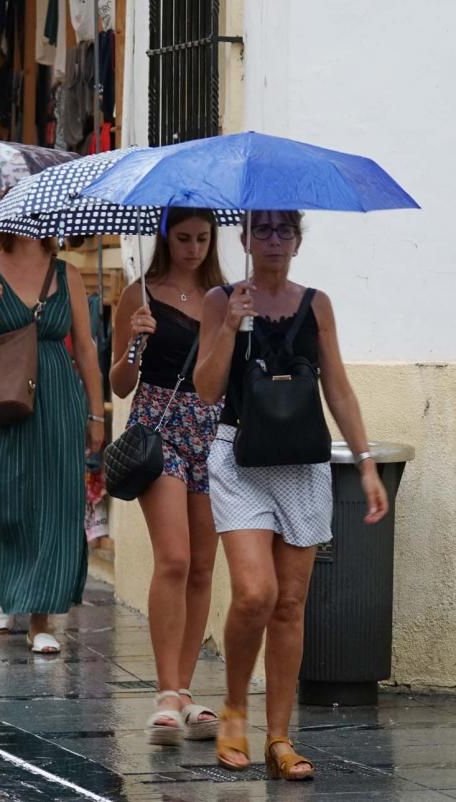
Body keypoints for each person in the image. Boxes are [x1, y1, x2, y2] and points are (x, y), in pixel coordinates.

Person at [195, 210, 388, 780]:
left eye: (284, 231)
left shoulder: (317, 304)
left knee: (289, 603)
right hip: (239, 456)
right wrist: (230, 325)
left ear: (298, 241)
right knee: (255, 593)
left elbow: (340, 389)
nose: (273, 240)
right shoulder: (221, 299)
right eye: (263, 230)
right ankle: (234, 707)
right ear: (245, 239)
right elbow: (207, 391)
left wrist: (367, 464)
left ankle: (279, 737)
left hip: (303, 462)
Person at [0, 233, 104, 654]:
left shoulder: (67, 273)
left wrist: (96, 413)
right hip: (3, 392)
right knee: (4, 496)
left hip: (56, 394)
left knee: (56, 501)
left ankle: (42, 619)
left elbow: (86, 349)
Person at [110, 208, 226, 745]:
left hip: (214, 431)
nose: (194, 248)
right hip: (159, 431)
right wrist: (136, 340)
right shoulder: (141, 293)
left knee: (203, 564)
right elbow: (119, 384)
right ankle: (165, 692)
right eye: (183, 238)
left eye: (203, 238)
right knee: (175, 558)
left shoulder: (227, 296)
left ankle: (185, 689)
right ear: (165, 237)